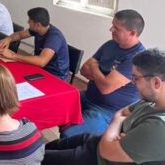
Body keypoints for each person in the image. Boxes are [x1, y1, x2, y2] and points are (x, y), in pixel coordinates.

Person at [40, 48, 165, 165]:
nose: (133, 83)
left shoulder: (164, 127)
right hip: (98, 144)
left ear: (156, 83)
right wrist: (122, 132)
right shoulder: (155, 100)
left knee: (37, 160)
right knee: (46, 148)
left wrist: (119, 129)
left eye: (136, 78)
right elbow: (122, 112)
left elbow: (107, 151)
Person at [61, 9, 146, 138]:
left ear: (132, 33)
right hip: (88, 96)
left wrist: (95, 67)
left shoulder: (137, 58)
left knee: (69, 134)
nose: (111, 30)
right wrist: (103, 76)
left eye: (116, 28)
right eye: (112, 25)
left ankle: (64, 154)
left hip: (108, 111)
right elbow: (84, 69)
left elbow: (105, 88)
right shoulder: (110, 45)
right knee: (54, 105)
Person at [0, 7, 69, 80]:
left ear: (37, 25)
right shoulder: (38, 29)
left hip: (55, 75)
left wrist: (13, 56)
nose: (27, 22)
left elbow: (42, 61)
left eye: (30, 21)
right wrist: (8, 39)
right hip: (41, 68)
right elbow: (19, 35)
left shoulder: (54, 37)